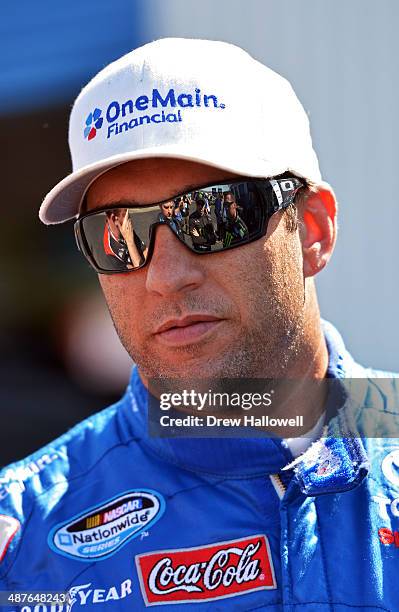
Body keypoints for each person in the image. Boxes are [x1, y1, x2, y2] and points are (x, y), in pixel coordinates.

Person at [0, 37, 398, 611]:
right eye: (120, 234)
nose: (165, 276)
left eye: (214, 215)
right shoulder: (21, 544)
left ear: (312, 230)